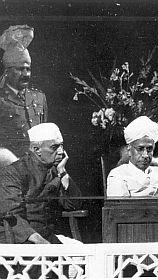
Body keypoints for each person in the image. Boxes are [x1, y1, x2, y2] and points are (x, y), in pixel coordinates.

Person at [0, 123, 81, 244]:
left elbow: (74, 205)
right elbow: (12, 216)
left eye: (62, 146)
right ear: (36, 149)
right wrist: (41, 242)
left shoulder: (55, 170)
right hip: (21, 239)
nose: (61, 152)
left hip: (46, 237)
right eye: (54, 147)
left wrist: (62, 172)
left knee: (81, 253)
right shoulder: (13, 172)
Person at [0, 25, 48, 159]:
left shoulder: (39, 98)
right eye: (20, 69)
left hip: (37, 168)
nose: (26, 74)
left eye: (28, 69)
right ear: (7, 72)